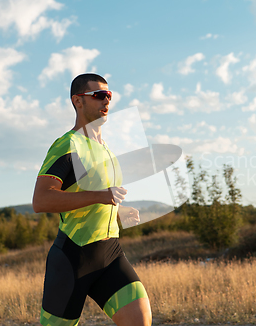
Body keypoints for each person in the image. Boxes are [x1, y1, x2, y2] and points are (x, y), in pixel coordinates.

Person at [32, 73, 152, 326]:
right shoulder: (69, 145)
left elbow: (96, 197)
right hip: (73, 257)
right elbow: (42, 200)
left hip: (110, 253)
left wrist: (118, 211)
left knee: (140, 320)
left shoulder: (106, 148)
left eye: (109, 95)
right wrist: (101, 196)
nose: (106, 100)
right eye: (98, 95)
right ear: (78, 101)